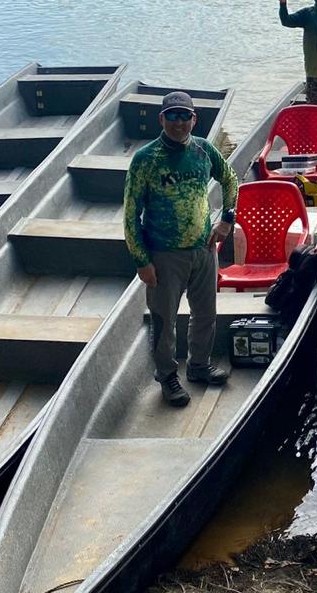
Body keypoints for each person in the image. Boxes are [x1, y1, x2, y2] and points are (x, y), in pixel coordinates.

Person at [123, 91, 238, 407]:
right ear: (161, 119)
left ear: (194, 119)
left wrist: (227, 220)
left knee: (206, 314)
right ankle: (168, 377)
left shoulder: (203, 149)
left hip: (203, 249)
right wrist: (141, 260)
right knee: (164, 321)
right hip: (163, 255)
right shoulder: (146, 159)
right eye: (172, 116)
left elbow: (230, 179)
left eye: (184, 116)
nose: (179, 123)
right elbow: (131, 214)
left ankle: (199, 366)